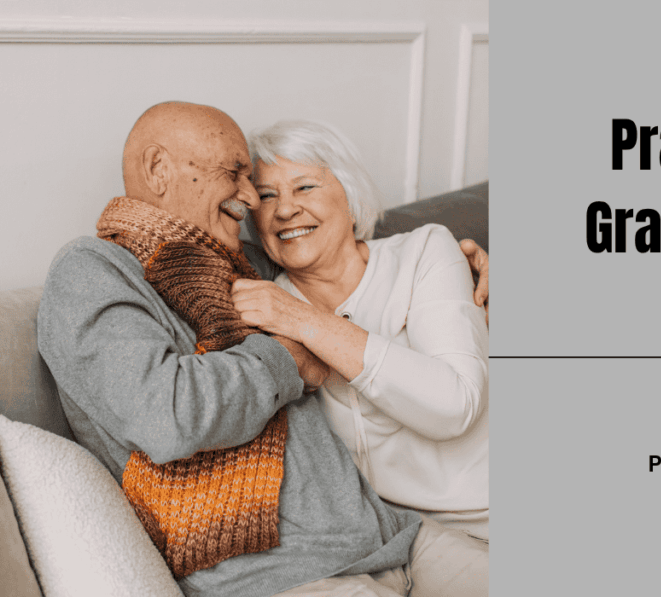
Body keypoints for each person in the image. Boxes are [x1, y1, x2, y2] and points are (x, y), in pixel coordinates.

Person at [37, 101, 488, 597]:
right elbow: (166, 416)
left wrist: (469, 265)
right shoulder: (92, 271)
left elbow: (342, 254)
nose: (253, 200)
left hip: (395, 537)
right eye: (237, 174)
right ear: (158, 169)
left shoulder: (246, 264)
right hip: (287, 576)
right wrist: (288, 360)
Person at [230, 121, 489, 541]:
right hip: (399, 541)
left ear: (349, 197)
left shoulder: (424, 253)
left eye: (305, 187)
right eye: (266, 196)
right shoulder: (264, 304)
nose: (284, 209)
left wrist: (306, 321)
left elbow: (455, 405)